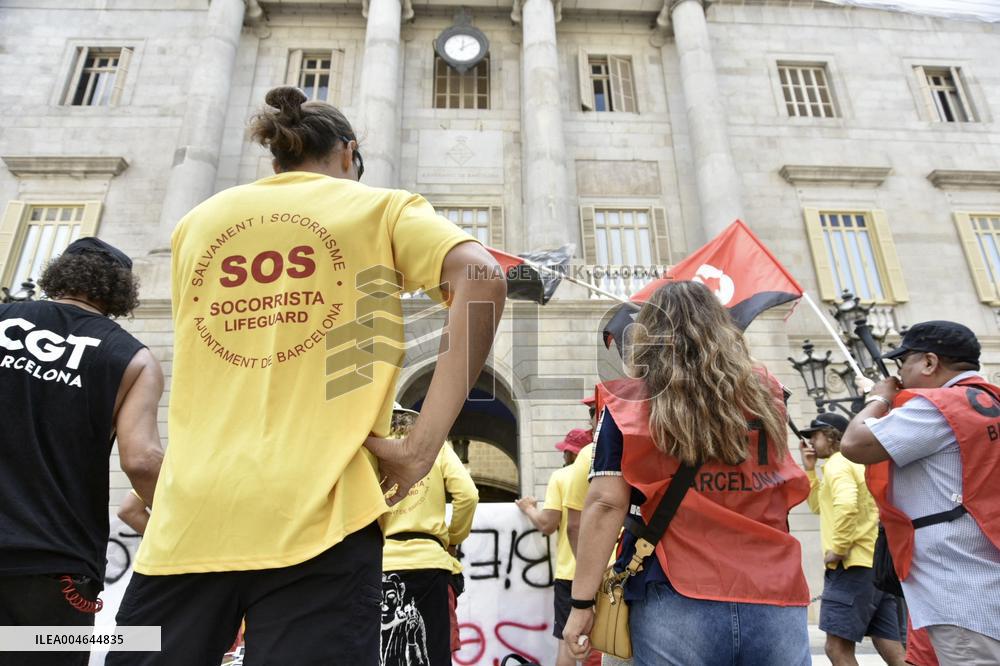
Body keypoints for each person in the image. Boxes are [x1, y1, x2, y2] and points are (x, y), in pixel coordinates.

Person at [108, 86, 505, 666]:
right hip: (325, 514)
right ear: (349, 153)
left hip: (191, 515)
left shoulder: (197, 225)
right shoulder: (379, 209)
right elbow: (484, 276)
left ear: (276, 159)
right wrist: (421, 448)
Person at [562, 280, 812, 665]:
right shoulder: (768, 395)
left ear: (648, 335)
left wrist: (581, 603)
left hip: (676, 589)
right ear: (721, 327)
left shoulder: (628, 404)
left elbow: (606, 504)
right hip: (773, 585)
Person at [0, 238, 164, 664]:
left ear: (59, 273)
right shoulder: (133, 359)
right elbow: (141, 461)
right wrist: (192, 523)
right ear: (122, 291)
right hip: (54, 568)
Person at [841, 321, 1000, 665]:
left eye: (904, 363)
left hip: (958, 591)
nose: (899, 374)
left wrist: (879, 398)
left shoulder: (937, 406)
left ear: (929, 363)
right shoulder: (989, 401)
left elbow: (854, 444)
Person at [799, 412, 906, 666]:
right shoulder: (857, 465)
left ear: (831, 436)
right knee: (892, 648)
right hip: (874, 567)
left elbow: (846, 506)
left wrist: (837, 548)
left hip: (852, 567)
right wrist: (810, 472)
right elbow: (819, 507)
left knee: (836, 647)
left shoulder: (837, 464)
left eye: (815, 435)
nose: (811, 442)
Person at [380, 403, 479, 666]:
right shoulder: (434, 447)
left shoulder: (373, 450)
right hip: (430, 563)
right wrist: (453, 538)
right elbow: (468, 494)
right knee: (432, 653)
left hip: (380, 564)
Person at [516, 428, 591, 666]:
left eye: (565, 452)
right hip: (610, 571)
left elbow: (548, 524)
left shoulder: (562, 476)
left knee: (567, 643)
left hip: (572, 575)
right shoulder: (606, 474)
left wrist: (528, 507)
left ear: (571, 455)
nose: (563, 458)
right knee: (608, 645)